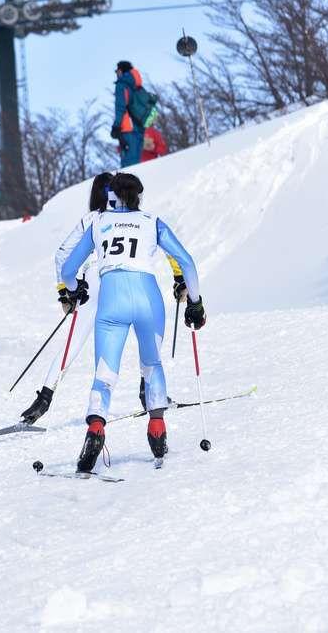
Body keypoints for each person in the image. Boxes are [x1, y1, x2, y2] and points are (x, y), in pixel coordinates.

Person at [58, 173, 206, 474]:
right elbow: (187, 262)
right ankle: (156, 428)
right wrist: (195, 302)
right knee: (152, 364)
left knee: (104, 373)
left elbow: (68, 268)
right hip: (148, 299)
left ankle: (96, 428)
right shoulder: (152, 221)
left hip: (112, 299)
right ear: (138, 196)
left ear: (112, 196)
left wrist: (74, 289)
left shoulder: (98, 223)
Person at [20, 173, 188, 425]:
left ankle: (42, 401)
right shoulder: (137, 218)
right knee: (148, 338)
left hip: (90, 283)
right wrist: (179, 279)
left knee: (72, 344)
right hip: (123, 281)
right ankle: (150, 394)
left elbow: (62, 254)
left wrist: (65, 292)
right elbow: (172, 253)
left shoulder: (91, 218)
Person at [111, 61, 146, 168]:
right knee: (137, 162)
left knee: (128, 166)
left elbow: (120, 106)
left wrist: (116, 126)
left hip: (127, 129)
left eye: (117, 71)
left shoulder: (121, 85)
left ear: (121, 70)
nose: (116, 73)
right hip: (140, 127)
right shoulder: (137, 85)